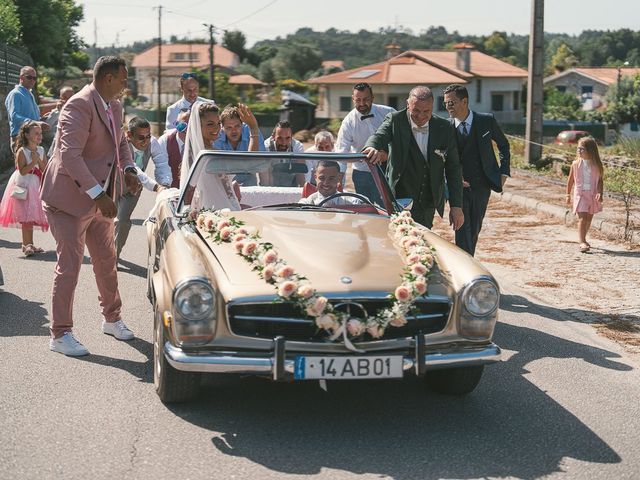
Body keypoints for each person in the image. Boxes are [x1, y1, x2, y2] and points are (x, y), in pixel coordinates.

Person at [40, 56, 142, 356]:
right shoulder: (79, 105)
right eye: (124, 79)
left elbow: (121, 143)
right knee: (69, 267)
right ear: (108, 78)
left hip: (100, 199)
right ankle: (60, 334)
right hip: (69, 200)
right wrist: (99, 195)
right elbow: (70, 155)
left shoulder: (115, 105)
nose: (127, 84)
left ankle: (112, 318)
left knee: (107, 262)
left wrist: (129, 170)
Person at [364, 86, 464, 230]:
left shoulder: (445, 127)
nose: (421, 116)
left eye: (426, 111)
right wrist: (372, 146)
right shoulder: (395, 120)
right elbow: (379, 135)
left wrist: (456, 206)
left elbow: (453, 168)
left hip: (428, 199)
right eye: (416, 110)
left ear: (432, 107)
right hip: (399, 196)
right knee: (399, 234)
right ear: (407, 104)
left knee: (422, 239)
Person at [443, 84, 511, 256]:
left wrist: (503, 172)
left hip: (482, 185)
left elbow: (503, 145)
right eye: (445, 103)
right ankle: (465, 267)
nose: (448, 107)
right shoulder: (445, 127)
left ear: (464, 101)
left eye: (451, 102)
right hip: (458, 188)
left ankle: (467, 262)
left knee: (474, 228)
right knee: (461, 228)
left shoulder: (486, 121)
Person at [180, 101, 259, 210]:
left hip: (223, 210)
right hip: (214, 213)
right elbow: (249, 165)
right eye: (210, 124)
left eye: (218, 124)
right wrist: (253, 128)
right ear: (198, 126)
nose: (216, 128)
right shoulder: (205, 155)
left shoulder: (209, 152)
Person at [114, 116, 172, 259]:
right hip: (113, 185)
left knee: (122, 222)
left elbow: (161, 163)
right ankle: (104, 252)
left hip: (133, 189)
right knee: (106, 222)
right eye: (141, 138)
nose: (145, 141)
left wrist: (165, 184)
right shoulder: (122, 144)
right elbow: (134, 168)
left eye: (148, 136)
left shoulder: (152, 143)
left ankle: (114, 255)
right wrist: (155, 187)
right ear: (129, 135)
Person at [335, 83, 395, 205]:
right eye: (358, 100)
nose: (362, 104)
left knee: (389, 207)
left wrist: (388, 154)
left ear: (372, 98)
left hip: (387, 170)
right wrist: (338, 180)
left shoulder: (389, 113)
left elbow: (401, 139)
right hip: (361, 174)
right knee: (365, 209)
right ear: (353, 99)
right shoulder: (348, 122)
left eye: (366, 99)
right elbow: (341, 153)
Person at [0, 121, 49, 256]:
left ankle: (30, 244)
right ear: (27, 135)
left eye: (40, 134)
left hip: (36, 183)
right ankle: (25, 244)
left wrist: (38, 160)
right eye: (36, 134)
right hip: (24, 183)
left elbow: (45, 169)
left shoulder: (41, 150)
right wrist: (33, 162)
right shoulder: (22, 151)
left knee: (31, 214)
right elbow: (22, 171)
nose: (39, 136)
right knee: (25, 215)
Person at [566, 136, 604, 253]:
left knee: (588, 218)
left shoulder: (596, 165)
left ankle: (583, 237)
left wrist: (599, 192)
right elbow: (570, 180)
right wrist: (567, 194)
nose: (579, 151)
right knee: (582, 218)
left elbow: (600, 181)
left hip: (592, 195)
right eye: (578, 149)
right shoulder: (575, 164)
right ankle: (582, 241)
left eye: (582, 149)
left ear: (590, 150)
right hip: (580, 195)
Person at [214, 104, 265, 186]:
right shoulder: (216, 136)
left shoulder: (251, 129)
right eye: (229, 128)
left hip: (249, 183)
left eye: (237, 126)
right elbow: (217, 169)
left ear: (242, 124)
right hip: (224, 184)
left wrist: (254, 129)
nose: (234, 131)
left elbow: (257, 164)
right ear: (222, 127)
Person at [5, 66, 50, 151]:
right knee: (24, 164)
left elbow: (30, 118)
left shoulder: (29, 94)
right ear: (21, 78)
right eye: (29, 77)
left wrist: (41, 119)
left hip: (32, 137)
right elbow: (14, 116)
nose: (32, 80)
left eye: (34, 78)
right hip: (21, 138)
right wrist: (35, 122)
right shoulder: (16, 94)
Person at [262, 120, 306, 186]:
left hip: (291, 187)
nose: (284, 143)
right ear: (273, 137)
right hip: (271, 186)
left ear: (291, 137)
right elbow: (266, 179)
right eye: (280, 138)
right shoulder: (266, 147)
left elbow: (301, 175)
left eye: (288, 138)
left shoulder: (297, 146)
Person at [158, 110, 190, 188]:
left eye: (190, 126)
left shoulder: (201, 141)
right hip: (170, 190)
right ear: (176, 125)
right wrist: (166, 187)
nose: (186, 130)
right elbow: (162, 168)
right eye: (181, 126)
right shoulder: (165, 141)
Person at [42, 86, 74, 156]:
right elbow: (46, 127)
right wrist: (58, 111)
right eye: (65, 98)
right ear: (60, 98)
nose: (67, 101)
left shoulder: (76, 111)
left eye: (70, 98)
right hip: (54, 143)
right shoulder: (56, 111)